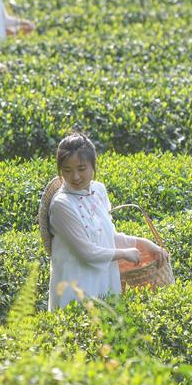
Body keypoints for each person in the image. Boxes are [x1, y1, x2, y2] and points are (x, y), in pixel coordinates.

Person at [47, 132, 168, 311]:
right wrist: (123, 254)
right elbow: (86, 252)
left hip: (104, 279)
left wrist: (144, 244)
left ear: (93, 165)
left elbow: (107, 237)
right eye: (67, 170)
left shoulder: (98, 190)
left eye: (81, 169)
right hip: (75, 284)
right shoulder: (61, 205)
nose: (75, 177)